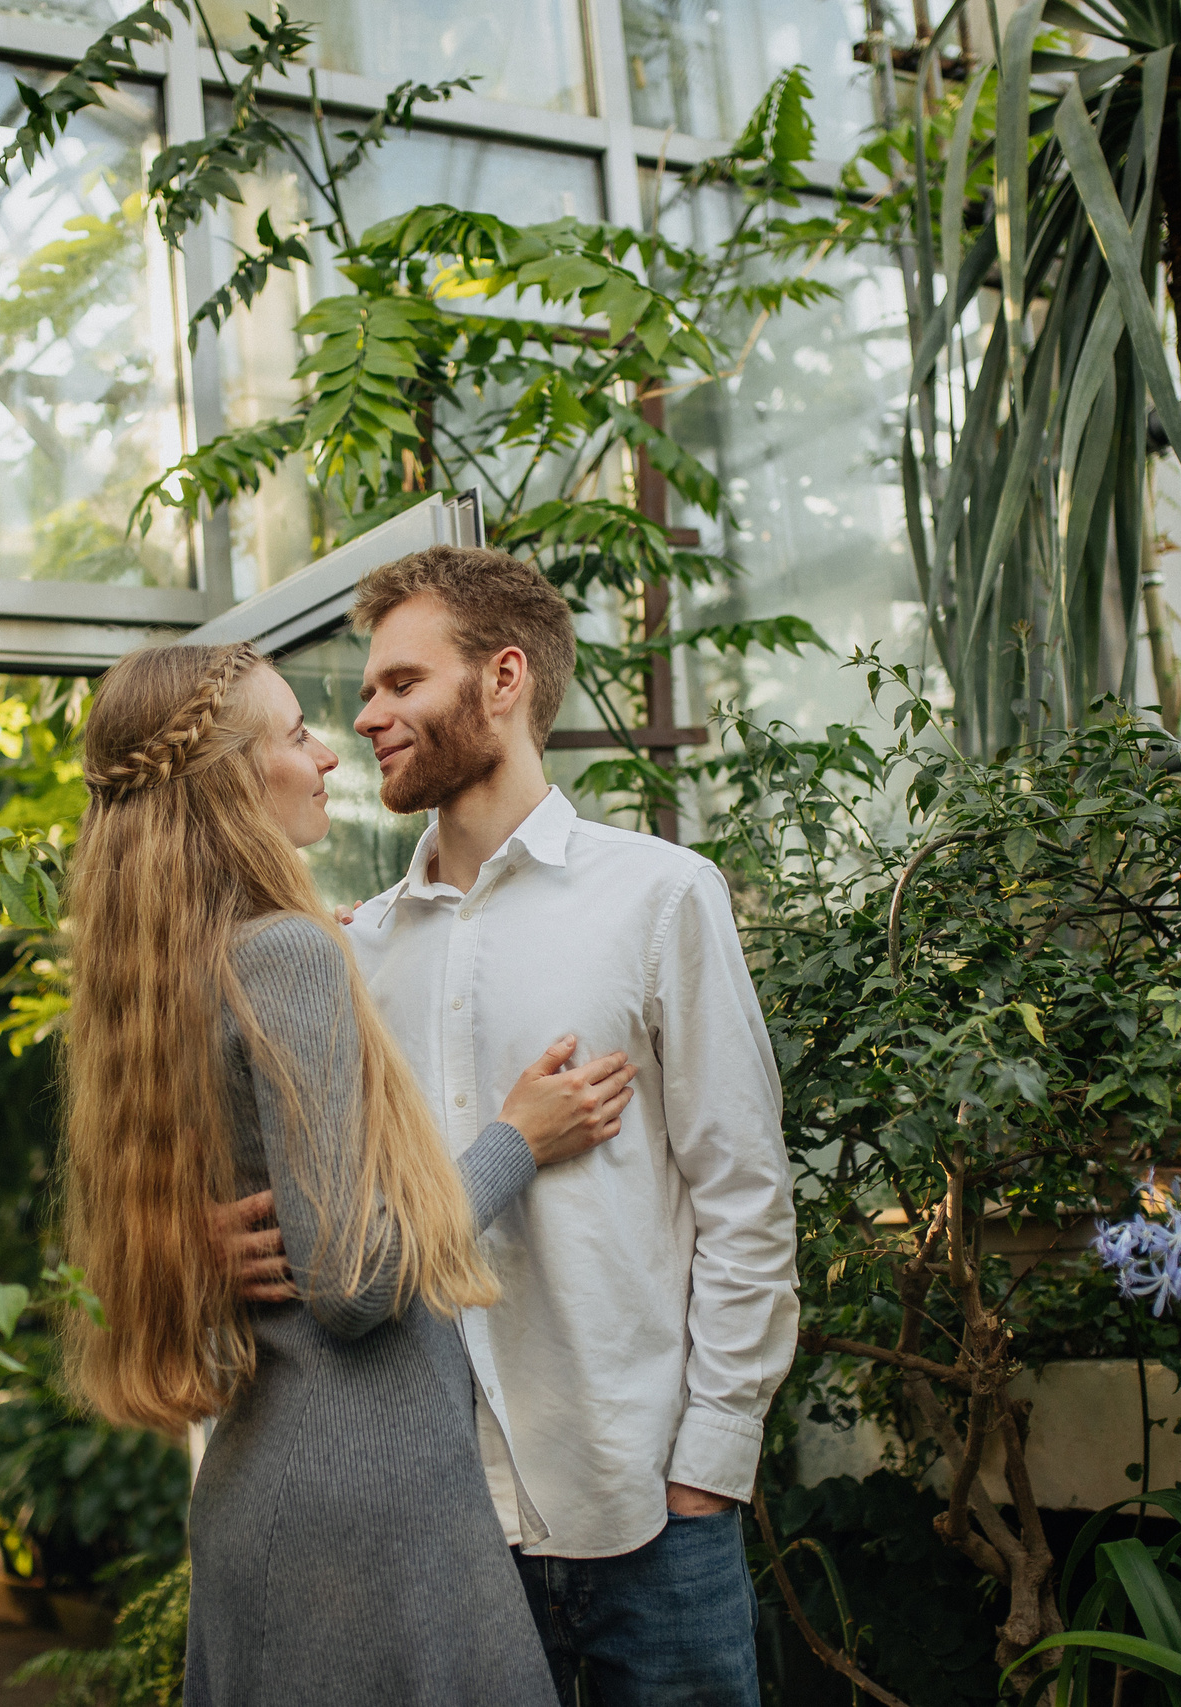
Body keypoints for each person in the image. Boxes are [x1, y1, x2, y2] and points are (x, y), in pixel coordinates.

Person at [232, 548, 799, 1705]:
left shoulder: (659, 896)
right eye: (368, 689)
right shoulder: (354, 951)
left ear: (501, 678)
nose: (366, 714)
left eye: (399, 683)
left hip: (644, 1505)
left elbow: (745, 1199)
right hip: (439, 1529)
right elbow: (341, 1221)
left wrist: (709, 1463)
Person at [57, 640, 643, 1707]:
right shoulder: (284, 956)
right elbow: (355, 1282)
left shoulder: (160, 976)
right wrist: (518, 1137)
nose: (327, 755)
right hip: (365, 1509)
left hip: (263, 1496)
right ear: (237, 776)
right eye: (293, 734)